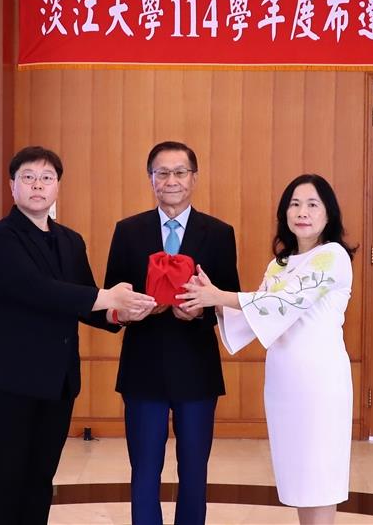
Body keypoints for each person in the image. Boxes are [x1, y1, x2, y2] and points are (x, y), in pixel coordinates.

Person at [0, 146, 155, 525]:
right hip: (5, 382)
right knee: (4, 479)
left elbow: (83, 300)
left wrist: (121, 313)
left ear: (57, 188)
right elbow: (35, 289)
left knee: (39, 480)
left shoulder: (70, 240)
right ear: (12, 186)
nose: (38, 185)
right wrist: (107, 296)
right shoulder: (0, 238)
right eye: (28, 177)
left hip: (56, 382)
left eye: (47, 178)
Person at [178, 174, 356, 525]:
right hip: (284, 384)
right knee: (300, 477)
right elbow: (253, 315)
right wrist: (210, 299)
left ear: (328, 214)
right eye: (294, 204)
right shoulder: (280, 264)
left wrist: (219, 296)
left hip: (320, 383)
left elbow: (281, 303)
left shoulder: (332, 256)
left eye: (312, 204)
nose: (301, 212)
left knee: (320, 476)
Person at [103, 141, 240, 524]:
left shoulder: (219, 233)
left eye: (180, 172)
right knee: (144, 470)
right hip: (143, 369)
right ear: (150, 179)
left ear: (194, 178)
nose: (171, 180)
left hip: (197, 369)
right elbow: (112, 297)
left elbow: (229, 304)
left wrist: (198, 312)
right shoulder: (128, 231)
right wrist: (135, 311)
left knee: (194, 472)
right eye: (162, 173)